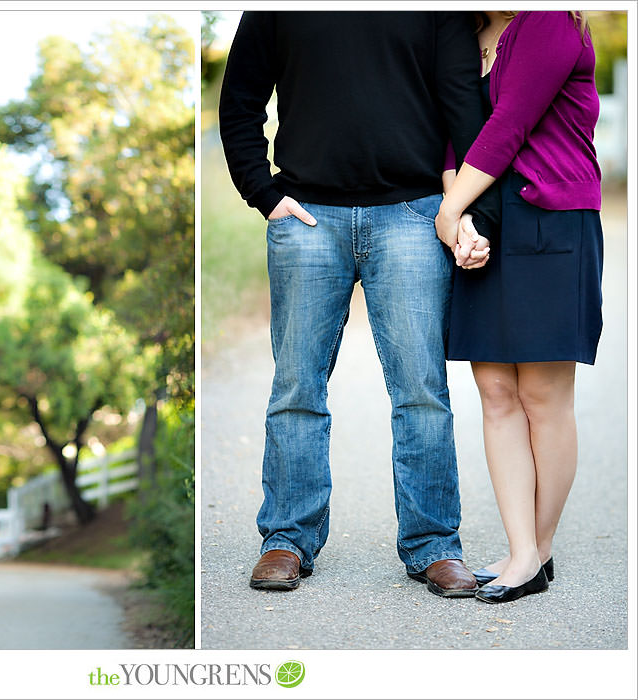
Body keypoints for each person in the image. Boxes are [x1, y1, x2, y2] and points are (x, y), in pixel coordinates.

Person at [218, 11, 498, 596]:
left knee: (421, 389)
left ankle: (433, 545)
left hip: (414, 215)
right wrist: (263, 193)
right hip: (306, 219)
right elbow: (239, 99)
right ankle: (287, 539)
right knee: (297, 385)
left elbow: (462, 107)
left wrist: (470, 211)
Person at [436, 11, 603, 603]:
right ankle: (520, 549)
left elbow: (508, 123)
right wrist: (462, 223)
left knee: (542, 396)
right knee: (497, 394)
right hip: (488, 217)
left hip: (551, 219)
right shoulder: (465, 34)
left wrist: (448, 212)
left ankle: (538, 549)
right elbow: (461, 132)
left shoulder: (549, 19)